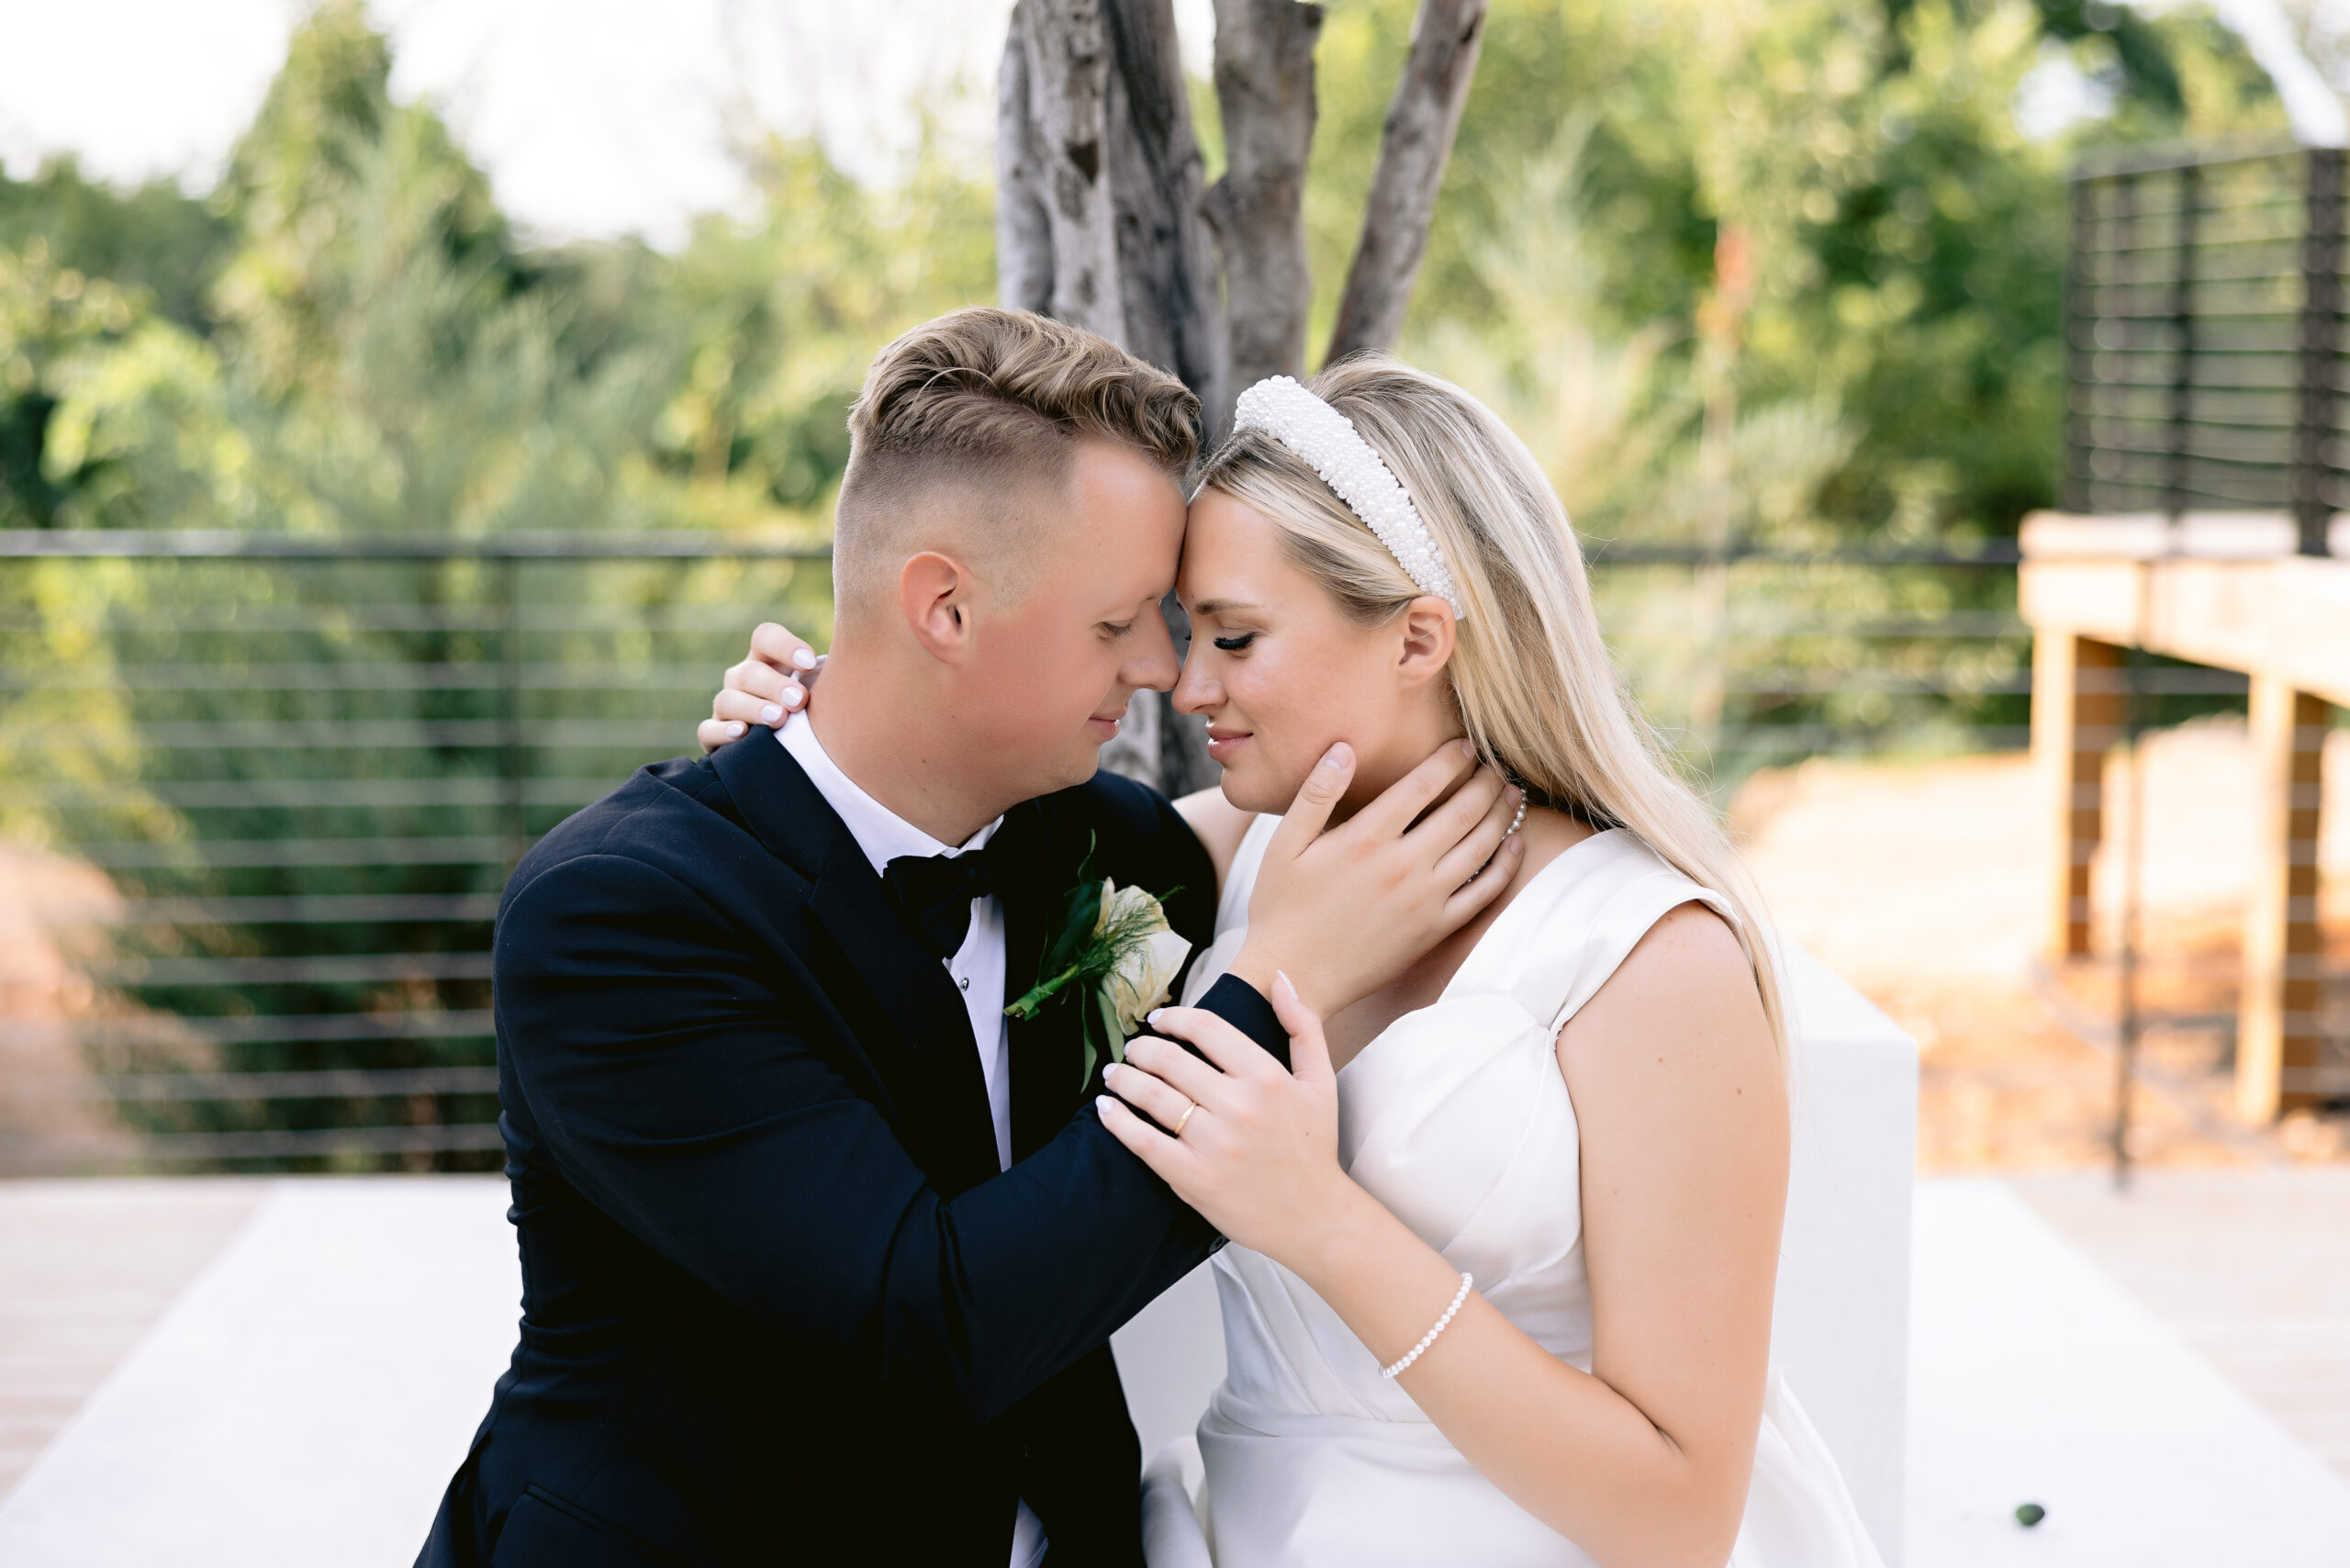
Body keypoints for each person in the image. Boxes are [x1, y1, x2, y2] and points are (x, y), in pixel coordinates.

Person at [711, 357, 1886, 1567]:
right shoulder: (1237, 857)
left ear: (1419, 636)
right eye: (1179, 633)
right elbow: (935, 826)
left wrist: (1320, 1221)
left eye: (1235, 637)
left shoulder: (1651, 959)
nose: (1185, 682)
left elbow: (1683, 1514)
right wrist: (811, 723)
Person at [417, 311, 1518, 1568]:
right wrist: (1278, 983)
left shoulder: (1057, 831)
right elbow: (934, 1323)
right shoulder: (617, 917)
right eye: (1116, 625)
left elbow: (1240, 838)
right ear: (943, 608)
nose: (1161, 667)